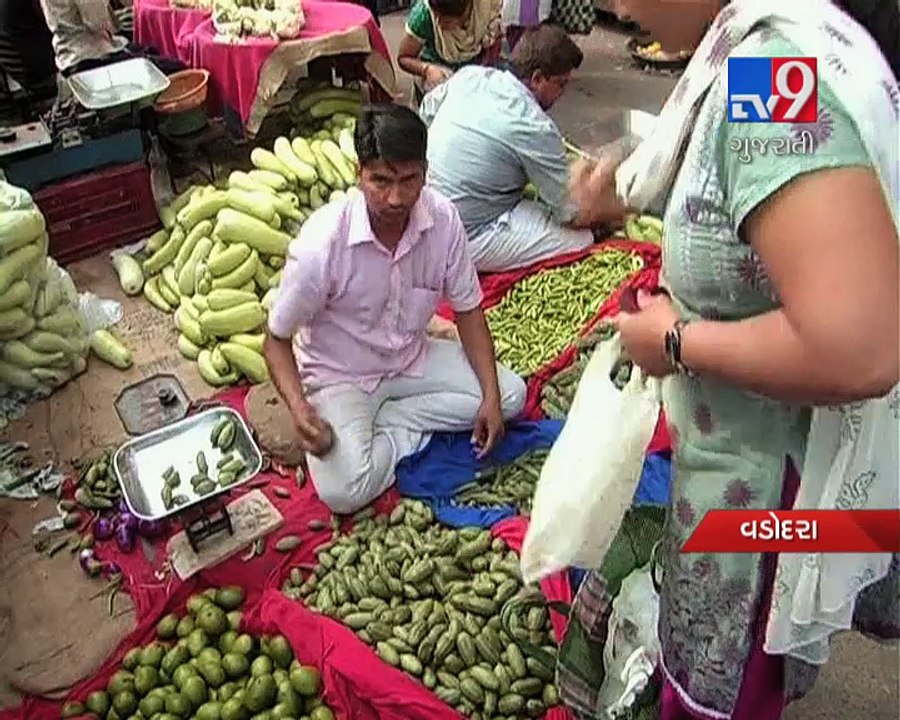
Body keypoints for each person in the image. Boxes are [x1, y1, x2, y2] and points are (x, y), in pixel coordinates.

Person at [560, 1, 899, 720]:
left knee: (730, 685)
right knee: (757, 671)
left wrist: (675, 341)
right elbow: (754, 180)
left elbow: (861, 349)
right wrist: (622, 188)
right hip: (772, 469)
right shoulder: (772, 42)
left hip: (771, 495)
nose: (614, 7)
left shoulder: (772, 66)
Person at [264, 104, 527, 515]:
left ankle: (398, 423)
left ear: (425, 170)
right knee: (344, 493)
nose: (396, 198)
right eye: (380, 181)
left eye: (409, 180)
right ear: (359, 173)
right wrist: (299, 407)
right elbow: (276, 341)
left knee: (510, 397)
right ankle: (396, 427)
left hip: (411, 360)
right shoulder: (322, 245)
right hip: (341, 376)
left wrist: (489, 396)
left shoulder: (442, 221)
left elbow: (469, 312)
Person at [420, 24, 607, 273]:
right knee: (580, 238)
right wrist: (599, 185)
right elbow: (568, 212)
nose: (562, 94)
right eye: (561, 84)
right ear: (538, 78)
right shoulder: (534, 125)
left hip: (425, 210)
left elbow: (425, 111)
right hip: (467, 236)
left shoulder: (471, 76)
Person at [38, 0, 183, 77]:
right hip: (89, 57)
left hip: (70, 53)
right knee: (176, 68)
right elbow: (98, 22)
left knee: (152, 49)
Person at [397, 0, 503, 103]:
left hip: (474, 75)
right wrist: (426, 69)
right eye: (436, 16)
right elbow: (404, 57)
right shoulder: (424, 15)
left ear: (467, 12)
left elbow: (494, 43)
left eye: (446, 20)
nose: (438, 23)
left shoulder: (486, 8)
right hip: (437, 77)